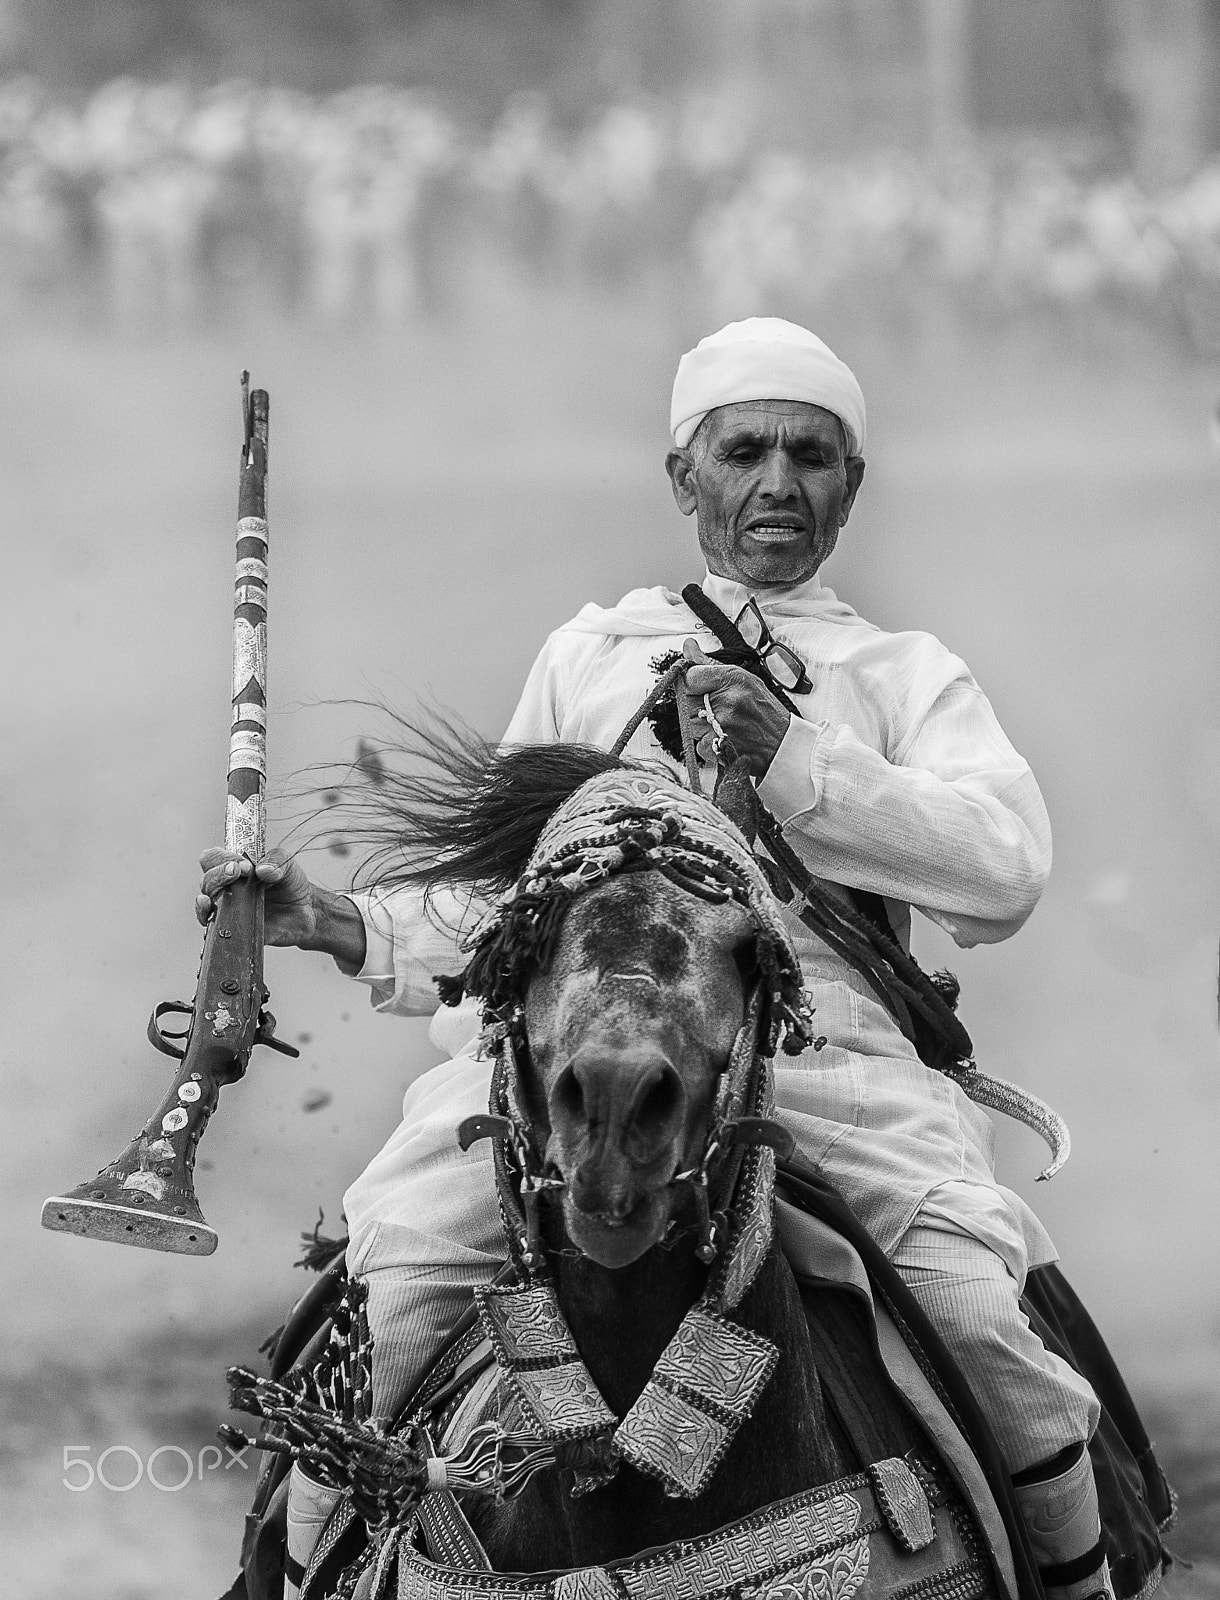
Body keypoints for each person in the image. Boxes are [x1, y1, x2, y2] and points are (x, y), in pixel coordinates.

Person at [200, 318, 1112, 1600]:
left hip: (824, 1067)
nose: (777, 484)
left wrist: (797, 759)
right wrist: (338, 920)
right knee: (394, 1277)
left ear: (852, 484)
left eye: (810, 454)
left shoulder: (905, 676)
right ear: (685, 477)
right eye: (744, 451)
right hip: (555, 1058)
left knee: (973, 1315)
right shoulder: (590, 655)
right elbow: (504, 907)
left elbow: (1002, 871)